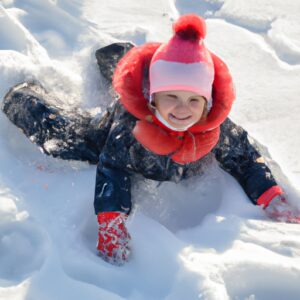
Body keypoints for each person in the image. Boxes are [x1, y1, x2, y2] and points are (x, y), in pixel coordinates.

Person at [2, 14, 300, 266]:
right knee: (69, 141)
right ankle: (22, 97)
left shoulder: (213, 128)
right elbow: (112, 168)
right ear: (152, 97)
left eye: (193, 100)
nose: (182, 109)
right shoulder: (131, 130)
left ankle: (124, 57)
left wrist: (270, 195)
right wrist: (111, 221)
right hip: (109, 131)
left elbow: (244, 157)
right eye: (171, 97)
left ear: (207, 104)